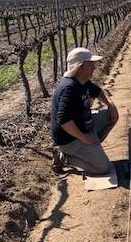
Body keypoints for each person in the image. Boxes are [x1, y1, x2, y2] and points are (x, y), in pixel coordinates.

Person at [51, 47, 119, 175]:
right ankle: (64, 156)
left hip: (84, 125)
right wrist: (83, 138)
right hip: (69, 138)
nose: (94, 68)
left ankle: (92, 148)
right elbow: (64, 120)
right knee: (103, 168)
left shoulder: (82, 81)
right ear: (79, 67)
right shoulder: (69, 89)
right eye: (90, 65)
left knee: (111, 115)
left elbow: (98, 92)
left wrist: (110, 104)